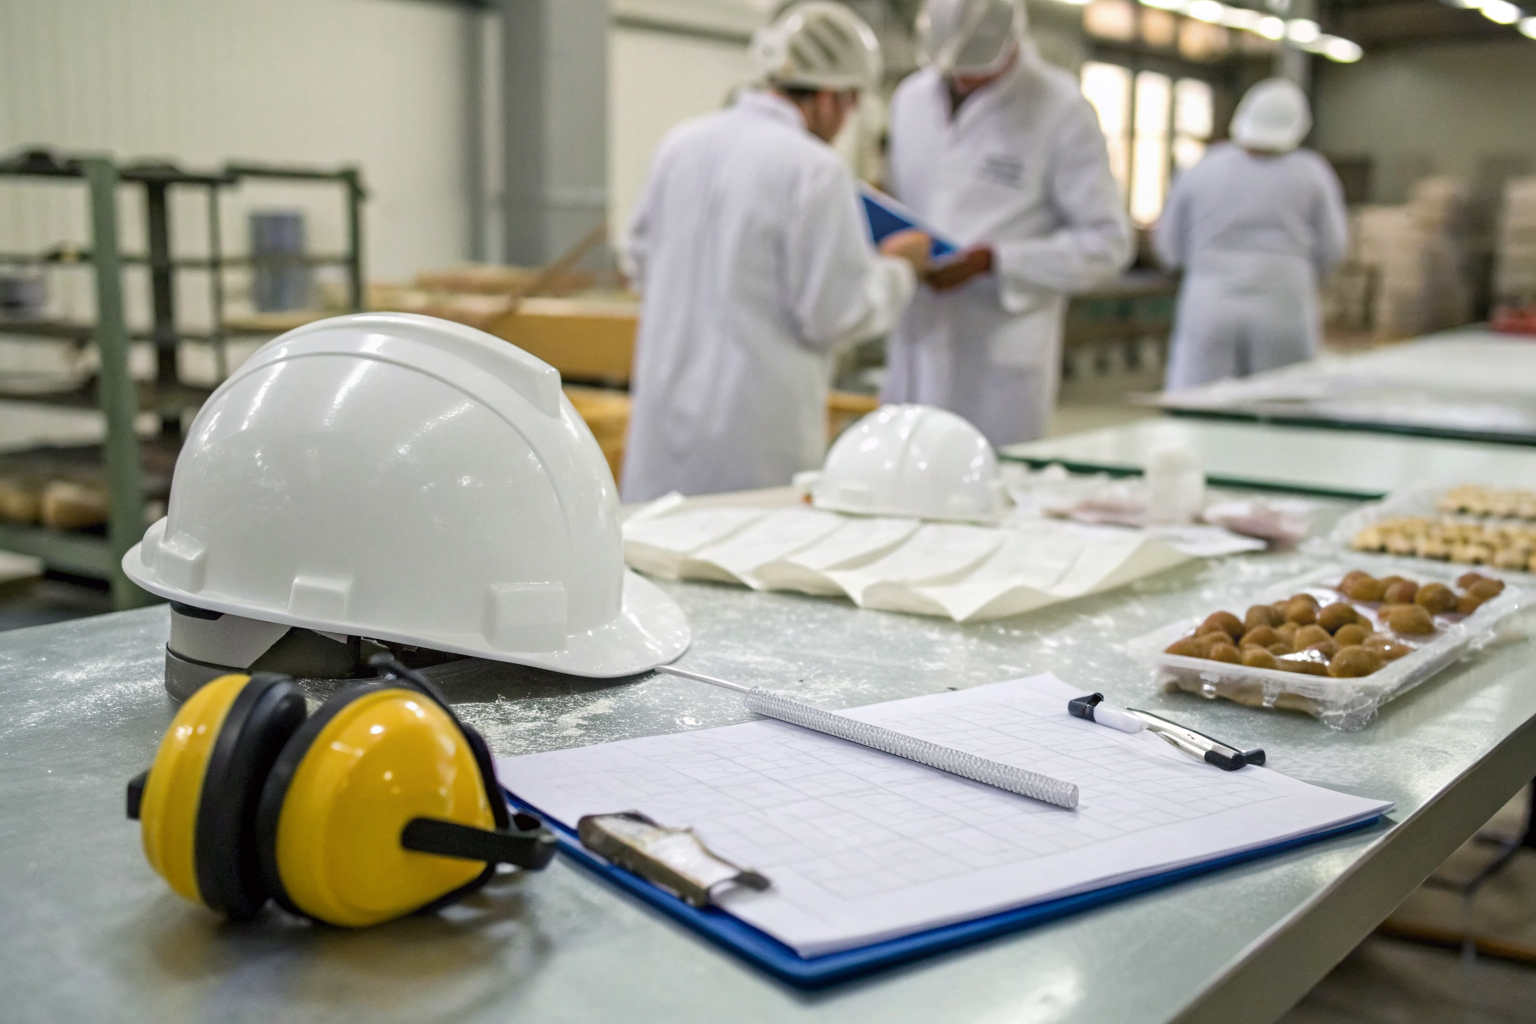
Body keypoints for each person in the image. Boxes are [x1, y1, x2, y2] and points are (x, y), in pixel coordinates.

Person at [621, 2, 930, 502]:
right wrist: (899, 269)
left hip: (664, 430)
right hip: (754, 444)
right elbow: (835, 312)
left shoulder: (679, 145)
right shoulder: (813, 169)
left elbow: (636, 264)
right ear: (830, 99)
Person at [881, 0, 1133, 448]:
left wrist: (996, 262)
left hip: (999, 353)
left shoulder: (1061, 110)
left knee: (989, 486)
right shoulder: (910, 100)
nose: (961, 79)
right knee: (900, 476)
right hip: (917, 336)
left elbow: (1108, 245)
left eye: (974, 68)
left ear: (1011, 42)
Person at [1157, 78, 1349, 391]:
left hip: (1209, 302)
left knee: (1201, 405)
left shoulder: (1204, 168)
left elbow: (1168, 244)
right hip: (1284, 303)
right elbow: (1334, 247)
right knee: (1281, 403)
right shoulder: (1312, 173)